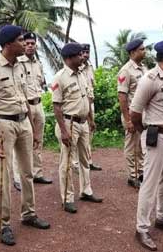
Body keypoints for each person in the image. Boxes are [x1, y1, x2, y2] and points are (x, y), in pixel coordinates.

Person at [0, 25, 50, 246]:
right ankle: (3, 224)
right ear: (8, 44)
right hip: (4, 124)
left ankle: (29, 214)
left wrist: (31, 126)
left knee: (27, 172)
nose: (25, 43)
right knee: (3, 175)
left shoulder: (20, 66)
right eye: (21, 40)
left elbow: (24, 96)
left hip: (23, 123)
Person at [131, 40, 163, 251]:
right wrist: (144, 132)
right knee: (150, 184)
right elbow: (135, 113)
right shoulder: (149, 79)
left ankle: (162, 217)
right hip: (157, 136)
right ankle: (141, 228)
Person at [52, 42, 104, 214]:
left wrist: (91, 118)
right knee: (66, 162)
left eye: (82, 54)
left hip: (83, 123)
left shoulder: (81, 74)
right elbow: (57, 107)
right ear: (69, 58)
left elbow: (87, 98)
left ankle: (86, 190)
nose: (82, 57)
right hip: (70, 123)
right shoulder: (60, 77)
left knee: (85, 158)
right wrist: (64, 130)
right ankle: (67, 198)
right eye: (78, 55)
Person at [12, 32, 52, 186]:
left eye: (32, 43)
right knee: (22, 143)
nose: (29, 46)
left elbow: (41, 82)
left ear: (36, 45)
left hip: (38, 104)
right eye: (27, 43)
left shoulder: (38, 64)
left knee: (38, 141)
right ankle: (18, 177)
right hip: (24, 107)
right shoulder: (18, 63)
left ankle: (37, 173)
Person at [117, 39, 148, 188]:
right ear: (132, 52)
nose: (144, 51)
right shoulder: (126, 71)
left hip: (143, 114)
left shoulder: (143, 69)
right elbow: (122, 97)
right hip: (132, 114)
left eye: (144, 49)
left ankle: (141, 171)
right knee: (132, 146)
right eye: (142, 49)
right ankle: (133, 175)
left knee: (141, 145)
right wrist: (128, 120)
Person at [79, 43, 101, 171]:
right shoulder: (77, 68)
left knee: (89, 133)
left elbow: (92, 85)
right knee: (80, 134)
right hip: (81, 105)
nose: (86, 55)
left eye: (88, 52)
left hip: (90, 104)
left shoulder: (90, 67)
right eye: (83, 52)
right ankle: (77, 163)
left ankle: (88, 160)